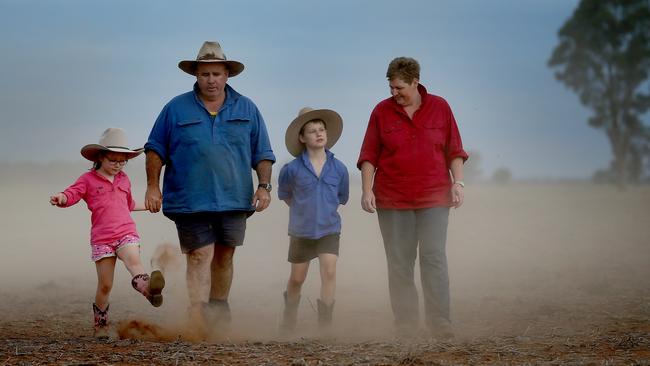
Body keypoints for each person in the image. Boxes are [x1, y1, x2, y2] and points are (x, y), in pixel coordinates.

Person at [144, 41, 275, 334]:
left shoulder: (247, 108)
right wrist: (153, 186)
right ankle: (198, 315)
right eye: (205, 74)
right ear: (196, 75)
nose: (211, 80)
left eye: (217, 73)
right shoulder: (175, 108)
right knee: (200, 255)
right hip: (189, 198)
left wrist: (264, 186)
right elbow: (155, 149)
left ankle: (219, 309)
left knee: (224, 255)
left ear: (227, 74)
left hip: (235, 198)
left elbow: (263, 153)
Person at [357, 57, 468, 339]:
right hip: (393, 200)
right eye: (391, 88)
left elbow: (455, 149)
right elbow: (369, 155)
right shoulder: (381, 112)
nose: (394, 94)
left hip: (434, 198)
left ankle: (440, 322)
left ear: (415, 82)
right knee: (399, 261)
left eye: (400, 88)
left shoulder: (440, 107)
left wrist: (459, 183)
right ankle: (406, 324)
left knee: (433, 257)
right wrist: (367, 189)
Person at [49, 127, 165, 338]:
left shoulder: (124, 180)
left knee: (133, 261)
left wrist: (150, 205)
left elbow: (128, 204)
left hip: (125, 231)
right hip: (102, 238)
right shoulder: (87, 179)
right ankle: (100, 325)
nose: (118, 165)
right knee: (105, 285)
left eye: (123, 161)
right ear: (101, 157)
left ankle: (150, 290)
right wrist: (61, 198)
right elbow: (72, 194)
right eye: (113, 160)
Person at [277, 107, 349, 333]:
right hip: (301, 231)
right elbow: (286, 195)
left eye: (321, 130)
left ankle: (325, 325)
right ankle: (289, 319)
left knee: (329, 272)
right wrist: (303, 211)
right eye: (312, 131)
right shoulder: (291, 169)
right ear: (302, 137)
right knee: (297, 278)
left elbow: (341, 196)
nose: (318, 134)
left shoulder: (339, 168)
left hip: (329, 229)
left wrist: (324, 211)